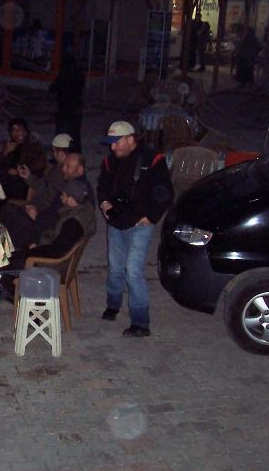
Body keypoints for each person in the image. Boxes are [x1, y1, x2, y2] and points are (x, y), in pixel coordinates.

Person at [97, 121, 173, 337]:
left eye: (117, 142)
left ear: (131, 140)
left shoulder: (153, 160)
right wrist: (104, 203)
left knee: (133, 272)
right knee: (115, 269)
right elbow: (102, 186)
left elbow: (166, 193)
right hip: (116, 223)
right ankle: (113, 305)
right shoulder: (109, 161)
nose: (112, 147)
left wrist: (152, 216)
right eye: (110, 143)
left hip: (139, 225)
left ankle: (140, 323)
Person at [20, 151, 95, 233]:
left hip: (45, 229)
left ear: (80, 170)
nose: (63, 169)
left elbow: (57, 220)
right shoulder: (70, 181)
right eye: (64, 165)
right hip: (41, 216)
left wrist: (35, 217)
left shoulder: (75, 192)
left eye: (68, 166)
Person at [26, 179, 97, 262]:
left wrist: (34, 249)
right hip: (47, 243)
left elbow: (56, 251)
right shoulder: (85, 209)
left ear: (70, 200)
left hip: (46, 261)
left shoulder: (73, 224)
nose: (60, 197)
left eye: (63, 195)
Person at [0, 117, 47, 201]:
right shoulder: (11, 144)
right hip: (11, 178)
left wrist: (19, 171)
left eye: (22, 129)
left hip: (28, 181)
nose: (19, 133)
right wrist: (5, 152)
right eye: (15, 130)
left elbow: (40, 164)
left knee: (6, 189)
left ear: (26, 131)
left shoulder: (34, 145)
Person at [49, 54, 85, 151]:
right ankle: (75, 151)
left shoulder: (63, 75)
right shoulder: (79, 75)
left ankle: (60, 152)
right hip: (76, 107)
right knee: (75, 132)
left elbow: (52, 88)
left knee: (62, 132)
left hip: (64, 107)